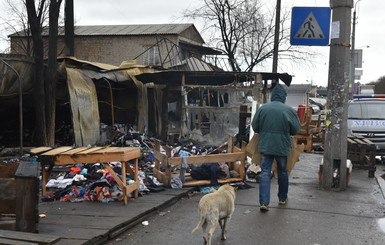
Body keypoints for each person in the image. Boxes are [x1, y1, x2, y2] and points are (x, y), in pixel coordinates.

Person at [251, 83, 300, 212]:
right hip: (282, 147)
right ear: (284, 97)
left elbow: (255, 127)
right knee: (282, 172)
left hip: (265, 145)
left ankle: (264, 203)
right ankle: (282, 198)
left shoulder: (263, 109)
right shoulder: (289, 110)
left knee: (265, 173)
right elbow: (295, 129)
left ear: (272, 96)